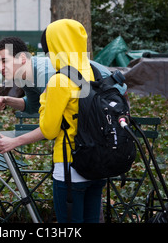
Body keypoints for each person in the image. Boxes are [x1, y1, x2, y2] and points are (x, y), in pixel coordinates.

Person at [0, 36, 126, 154]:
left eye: (5, 61)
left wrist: (15, 142)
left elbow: (53, 126)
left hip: (112, 98)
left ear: (22, 58)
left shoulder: (46, 74)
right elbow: (32, 106)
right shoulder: (26, 75)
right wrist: (7, 100)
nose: (1, 68)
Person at [38, 18, 106, 223]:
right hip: (97, 165)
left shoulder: (60, 80)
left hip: (70, 169)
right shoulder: (95, 74)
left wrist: (44, 99)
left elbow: (48, 131)